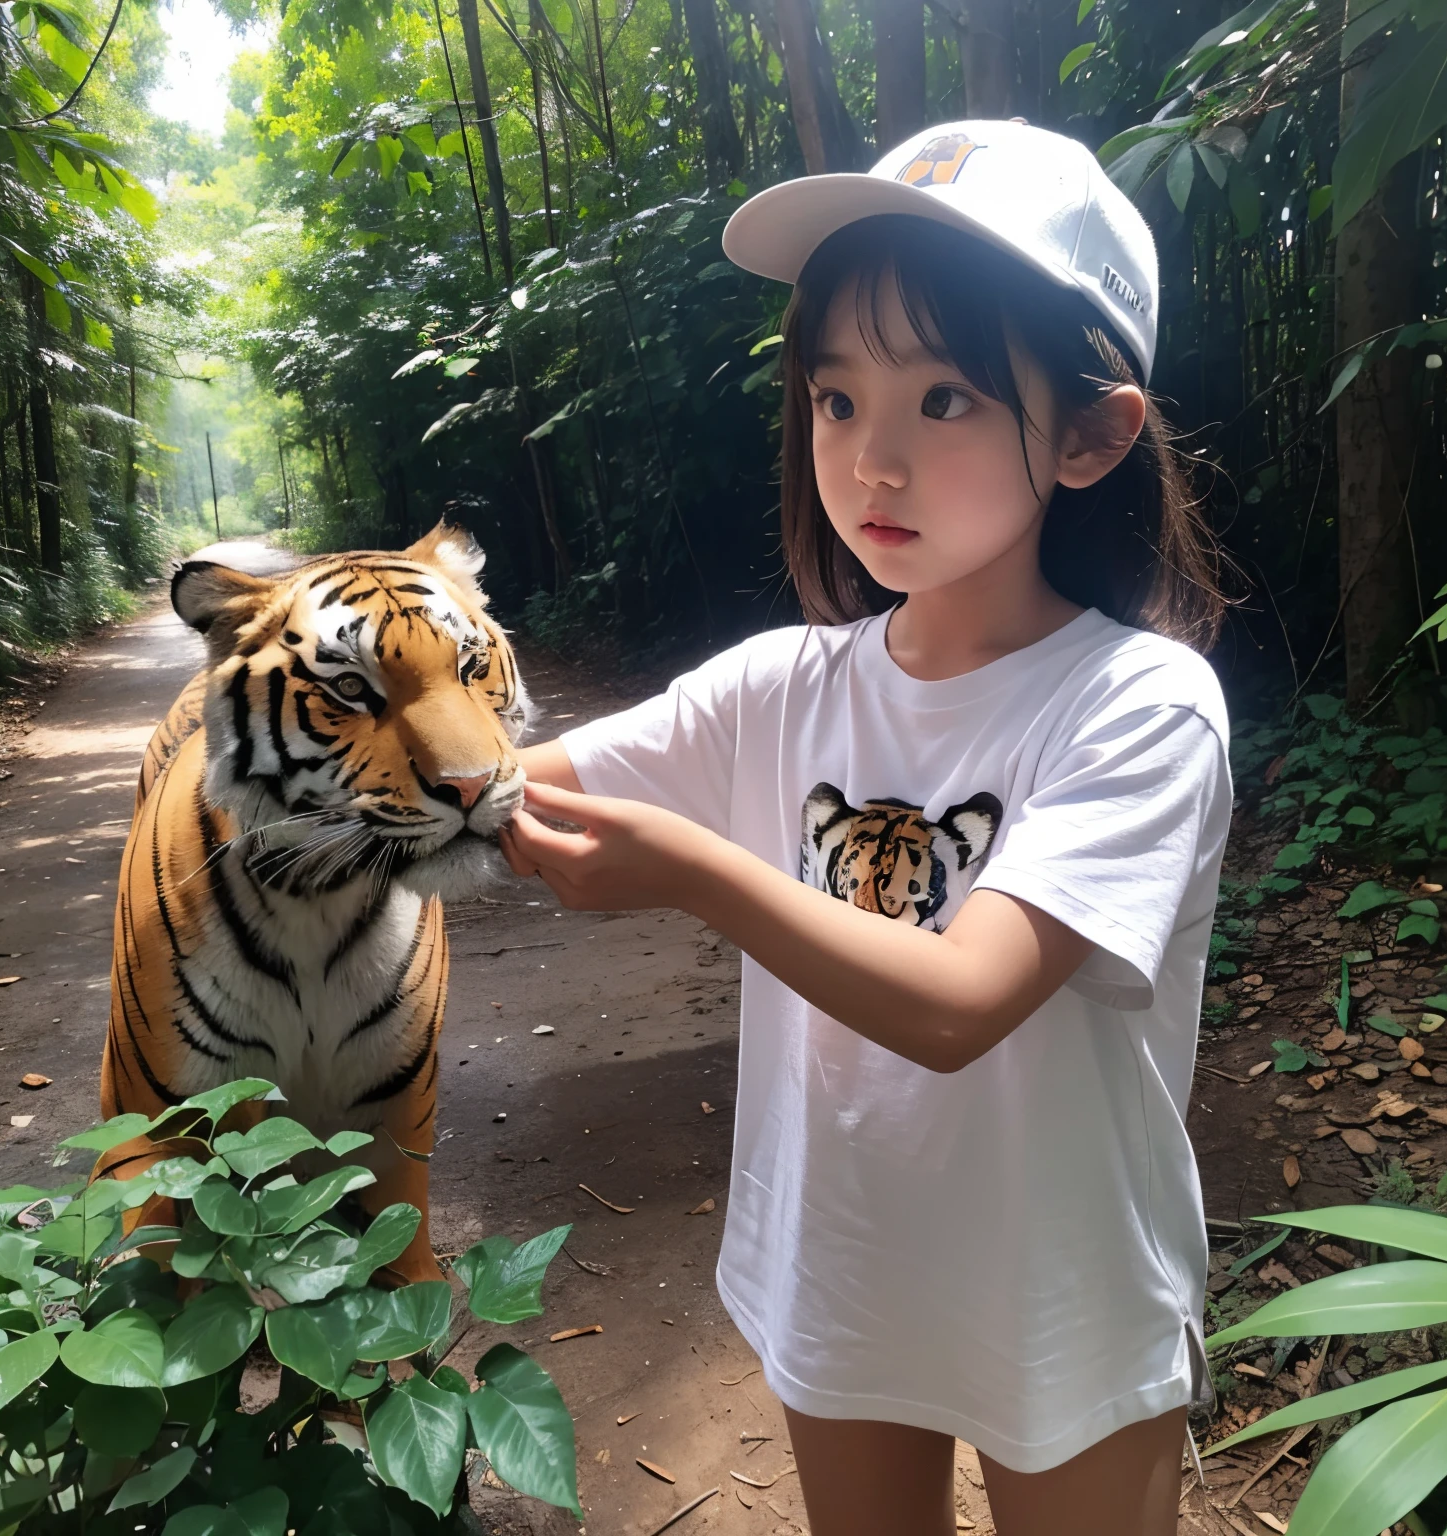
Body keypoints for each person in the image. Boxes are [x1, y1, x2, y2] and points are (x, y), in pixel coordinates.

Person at [500, 119, 1231, 1536]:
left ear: (1092, 432)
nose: (872, 460)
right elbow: (515, 784)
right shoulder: (782, 685)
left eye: (945, 400)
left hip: (1063, 1286)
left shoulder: (1139, 702)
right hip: (842, 1264)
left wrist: (694, 872)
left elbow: (965, 1001)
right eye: (836, 401)